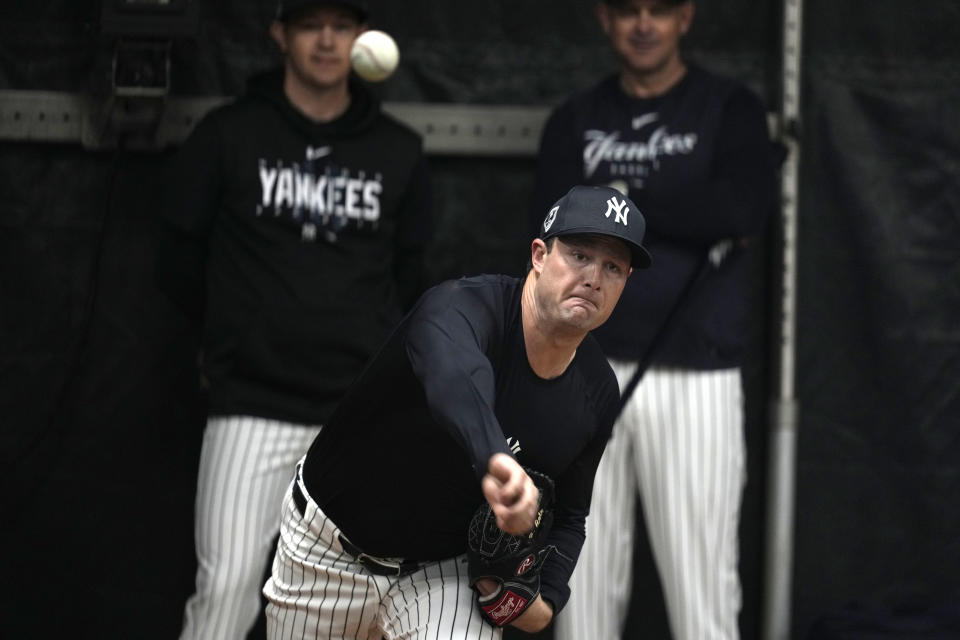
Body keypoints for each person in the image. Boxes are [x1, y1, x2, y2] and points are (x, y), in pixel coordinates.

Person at [262, 185, 652, 639]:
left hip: (442, 574)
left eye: (613, 268)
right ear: (540, 255)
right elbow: (455, 378)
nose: (594, 278)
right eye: (580, 255)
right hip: (327, 549)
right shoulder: (460, 307)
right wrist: (496, 458)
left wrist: (546, 602)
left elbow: (570, 513)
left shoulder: (597, 390)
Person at [155, 1, 432, 638]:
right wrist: (238, 336)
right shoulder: (229, 135)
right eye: (311, 25)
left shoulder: (399, 151)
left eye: (341, 26)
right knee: (224, 589)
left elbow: (411, 281)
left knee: (352, 604)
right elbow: (176, 266)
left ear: (363, 36)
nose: (328, 41)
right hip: (251, 404)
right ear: (281, 33)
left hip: (356, 415)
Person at [532, 2, 778, 639]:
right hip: (583, 368)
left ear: (685, 18)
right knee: (578, 588)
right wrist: (684, 213)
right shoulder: (575, 120)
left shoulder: (730, 108)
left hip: (695, 370)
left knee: (702, 588)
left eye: (660, 9)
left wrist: (613, 211)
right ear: (604, 19)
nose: (644, 23)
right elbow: (551, 227)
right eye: (628, 9)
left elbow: (740, 209)